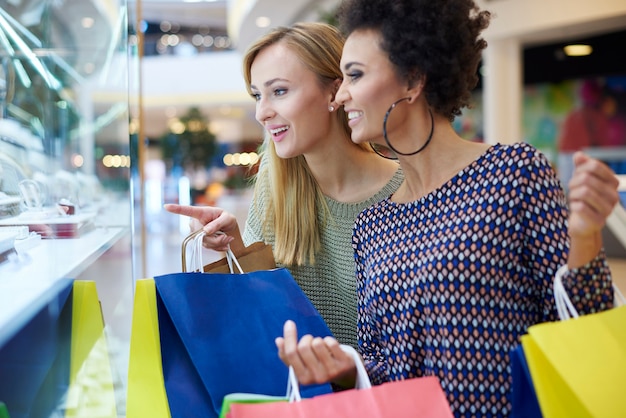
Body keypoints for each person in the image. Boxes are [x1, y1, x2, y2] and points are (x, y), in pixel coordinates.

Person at [276, 0, 620, 416]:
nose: (340, 95)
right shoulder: (373, 225)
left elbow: (584, 324)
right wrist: (346, 370)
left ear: (413, 79)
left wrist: (584, 237)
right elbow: (382, 370)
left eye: (356, 75)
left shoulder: (513, 173)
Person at [164, 22, 403, 348]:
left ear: (334, 92)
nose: (262, 112)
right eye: (257, 95)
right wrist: (235, 247)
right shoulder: (275, 184)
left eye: (279, 91)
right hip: (298, 393)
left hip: (380, 395)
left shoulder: (406, 191)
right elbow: (261, 310)